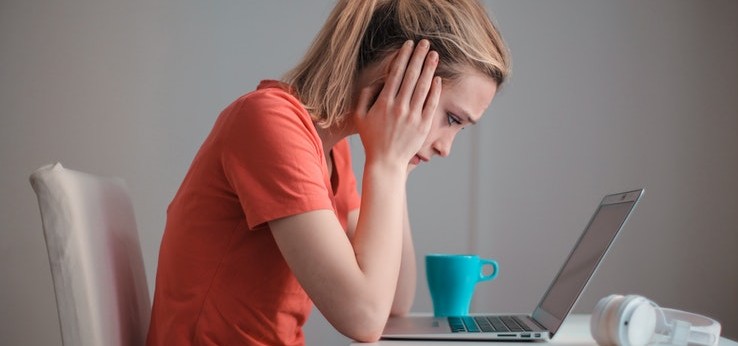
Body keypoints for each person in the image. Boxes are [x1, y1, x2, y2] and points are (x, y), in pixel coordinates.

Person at [146, 0, 511, 344]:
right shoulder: (269, 123)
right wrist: (387, 164)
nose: (446, 148)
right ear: (399, 74)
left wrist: (396, 167)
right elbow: (364, 317)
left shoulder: (334, 151)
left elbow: (394, 301)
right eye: (451, 119)